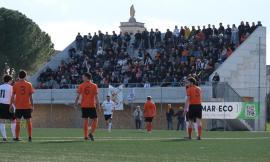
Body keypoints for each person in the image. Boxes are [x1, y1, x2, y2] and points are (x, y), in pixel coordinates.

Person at [75, 72, 100, 141]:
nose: (82, 78)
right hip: (92, 105)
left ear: (86, 77)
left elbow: (78, 96)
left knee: (85, 120)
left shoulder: (81, 85)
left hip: (84, 105)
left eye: (83, 77)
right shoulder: (94, 85)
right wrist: (98, 105)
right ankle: (91, 133)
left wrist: (76, 103)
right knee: (95, 119)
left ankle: (86, 136)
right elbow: (96, 97)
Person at [11, 70, 34, 142]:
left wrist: (11, 104)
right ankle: (30, 137)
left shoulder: (15, 85)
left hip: (18, 106)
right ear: (25, 76)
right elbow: (31, 97)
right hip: (27, 106)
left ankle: (17, 137)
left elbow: (12, 96)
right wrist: (32, 105)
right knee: (28, 121)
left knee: (18, 122)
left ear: (19, 76)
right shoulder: (29, 84)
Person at [0, 75, 16, 141]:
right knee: (13, 121)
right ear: (9, 80)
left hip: (1, 105)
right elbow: (13, 98)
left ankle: (4, 137)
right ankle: (14, 137)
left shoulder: (0, 87)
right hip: (9, 105)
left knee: (1, 121)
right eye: (11, 80)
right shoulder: (11, 87)